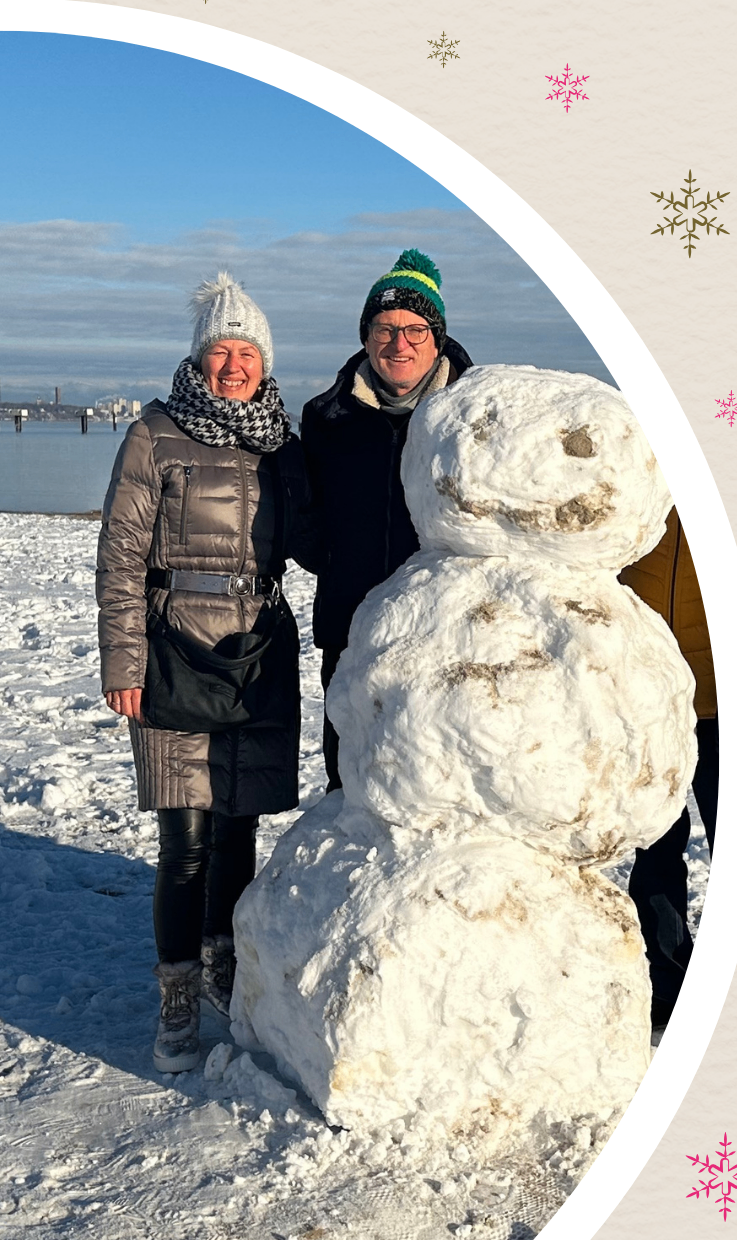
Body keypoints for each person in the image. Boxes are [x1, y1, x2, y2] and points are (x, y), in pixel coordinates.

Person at [96, 273, 314, 1074]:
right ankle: (179, 988)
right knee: (185, 839)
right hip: (173, 651)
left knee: (239, 829)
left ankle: (225, 962)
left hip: (256, 653)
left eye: (246, 352)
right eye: (220, 350)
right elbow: (120, 554)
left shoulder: (281, 441)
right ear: (197, 357)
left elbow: (318, 538)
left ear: (265, 363)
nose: (233, 365)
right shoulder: (154, 434)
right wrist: (125, 662)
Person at [301, 248, 472, 790]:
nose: (399, 344)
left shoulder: (473, 416)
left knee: (434, 787)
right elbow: (306, 519)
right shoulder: (326, 418)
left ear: (437, 337)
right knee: (350, 784)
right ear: (366, 334)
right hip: (351, 633)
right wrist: (336, 558)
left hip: (446, 638)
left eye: (416, 330)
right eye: (385, 327)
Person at [619, 507, 718, 1035]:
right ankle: (668, 980)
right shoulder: (643, 472)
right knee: (656, 847)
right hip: (650, 702)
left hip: (728, 706)